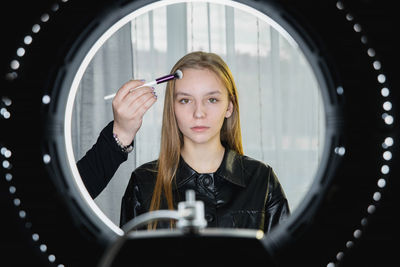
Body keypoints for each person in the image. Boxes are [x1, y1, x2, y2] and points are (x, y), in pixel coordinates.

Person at [77, 51, 290, 233]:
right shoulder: (142, 184)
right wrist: (121, 131)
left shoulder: (262, 180)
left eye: (212, 99)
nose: (199, 113)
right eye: (185, 100)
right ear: (173, 108)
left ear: (229, 107)